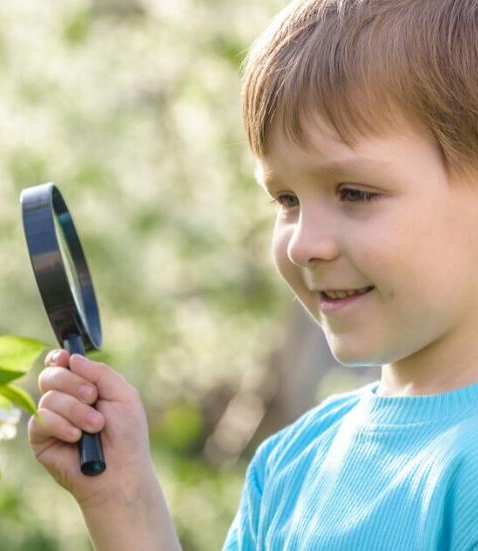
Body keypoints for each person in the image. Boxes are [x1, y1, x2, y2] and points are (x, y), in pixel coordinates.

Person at [27, 0, 478, 549]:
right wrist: (123, 498)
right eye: (286, 200)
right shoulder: (291, 464)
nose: (305, 243)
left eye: (355, 193)